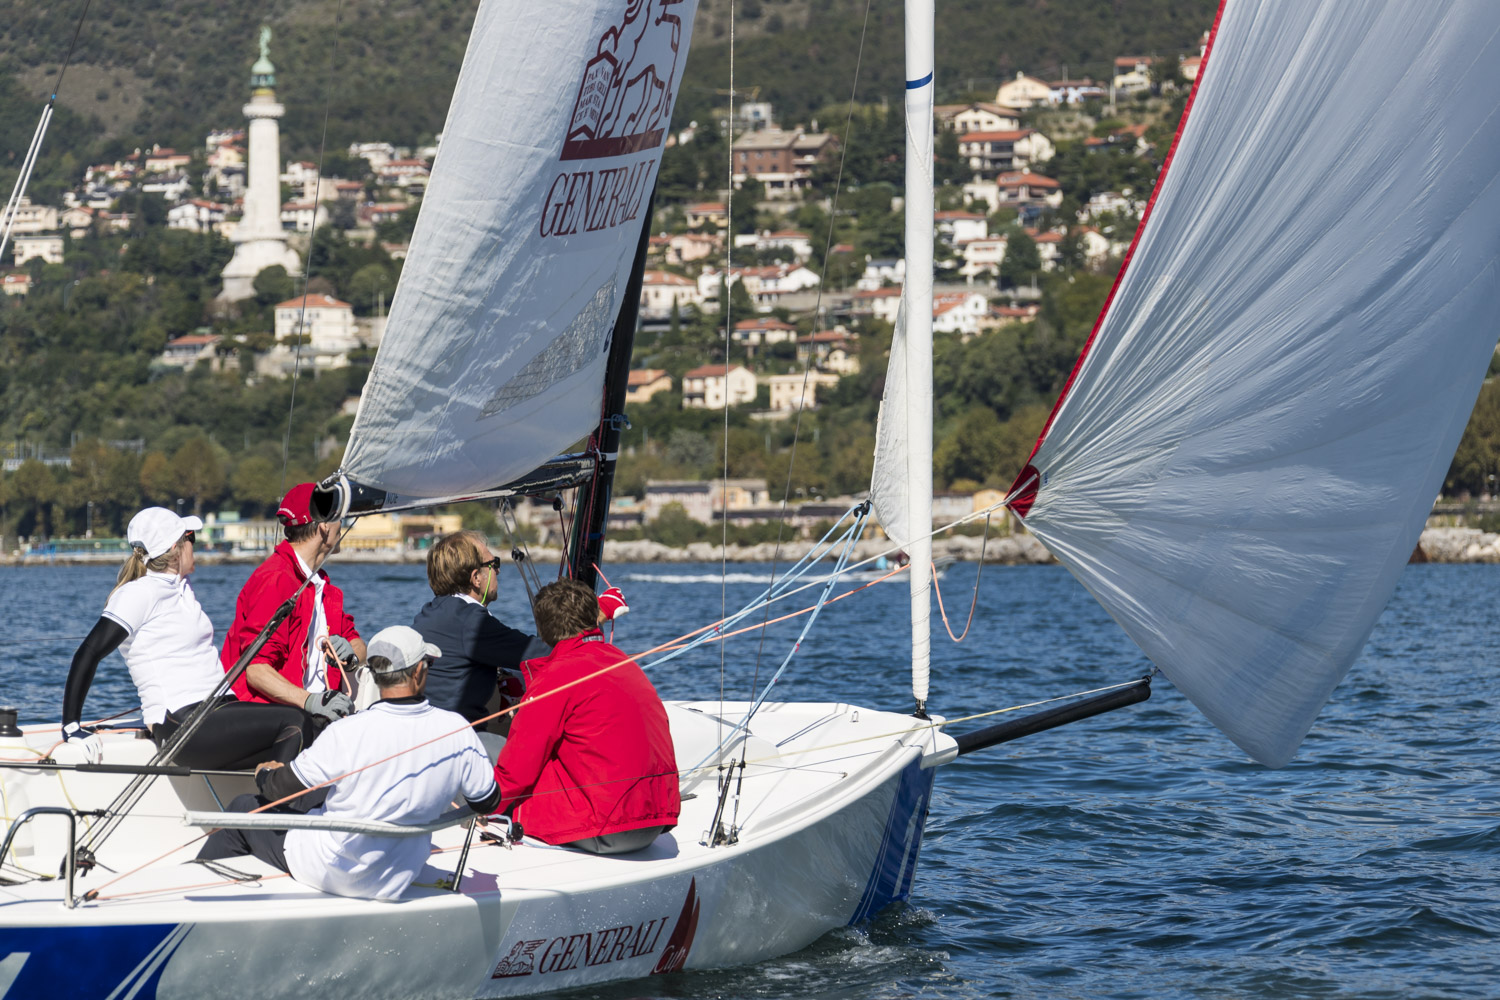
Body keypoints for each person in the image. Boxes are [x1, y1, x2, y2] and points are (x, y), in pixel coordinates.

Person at [197, 625, 501, 901]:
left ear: (376, 676)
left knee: (243, 807)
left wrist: (265, 774)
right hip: (399, 875)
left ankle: (194, 896)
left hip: (332, 872)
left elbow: (278, 790)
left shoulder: (347, 731)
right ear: (419, 671)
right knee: (317, 797)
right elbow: (487, 801)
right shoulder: (457, 730)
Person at [62, 507, 314, 770]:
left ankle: (276, 788)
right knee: (295, 722)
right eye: (191, 537)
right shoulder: (138, 593)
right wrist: (71, 726)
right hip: (181, 721)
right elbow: (88, 652)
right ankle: (273, 791)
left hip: (217, 709)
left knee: (316, 725)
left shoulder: (180, 587)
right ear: (176, 548)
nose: (197, 544)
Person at [494, 579, 679, 854]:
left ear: (543, 630)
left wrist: (480, 805)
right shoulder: (623, 662)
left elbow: (517, 770)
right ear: (593, 617)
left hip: (603, 828)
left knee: (488, 747)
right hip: (654, 821)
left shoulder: (556, 676)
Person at [220, 483, 366, 723]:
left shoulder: (321, 585)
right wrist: (310, 701)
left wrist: (351, 657)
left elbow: (356, 642)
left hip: (314, 712)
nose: (342, 524)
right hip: (276, 717)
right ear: (324, 527)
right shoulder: (276, 580)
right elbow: (256, 670)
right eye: (338, 517)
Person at [410, 531, 548, 729]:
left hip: (426, 729)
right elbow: (541, 653)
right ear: (476, 578)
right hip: (458, 736)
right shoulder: (471, 621)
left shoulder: (430, 612)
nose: (498, 571)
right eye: (494, 564)